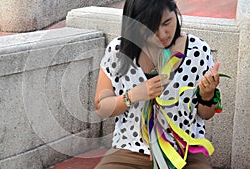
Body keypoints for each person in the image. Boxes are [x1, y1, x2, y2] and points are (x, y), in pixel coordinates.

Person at [94, 0, 221, 168]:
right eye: (150, 28)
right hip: (131, 150)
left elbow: (206, 114)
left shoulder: (198, 51)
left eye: (167, 22)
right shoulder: (118, 51)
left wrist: (207, 95)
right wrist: (133, 95)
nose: (162, 34)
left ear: (175, 12)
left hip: (185, 152)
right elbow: (102, 107)